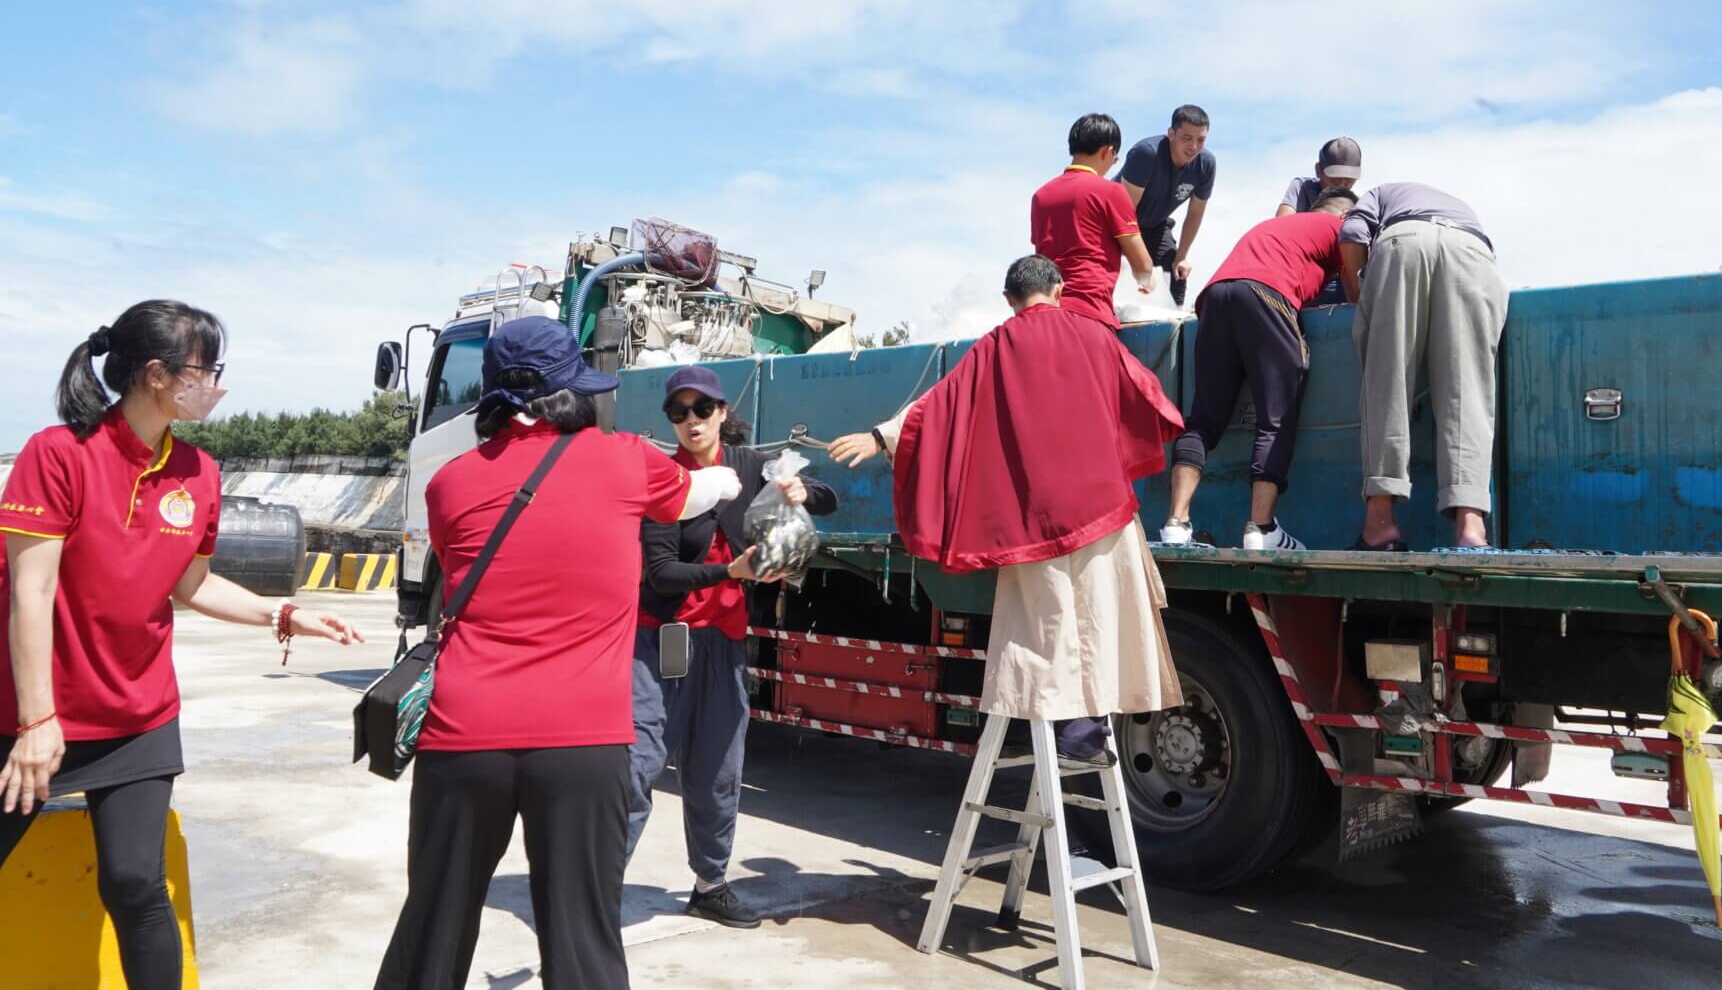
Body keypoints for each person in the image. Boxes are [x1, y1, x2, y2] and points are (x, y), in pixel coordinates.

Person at [1, 300, 364, 990]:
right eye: (209, 369)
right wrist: (37, 721)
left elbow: (191, 584)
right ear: (159, 375)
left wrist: (281, 614)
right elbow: (30, 592)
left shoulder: (198, 471)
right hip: (30, 709)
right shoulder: (59, 454)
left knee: (136, 882)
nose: (218, 385)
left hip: (138, 713)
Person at [376, 318, 742, 990]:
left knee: (433, 927)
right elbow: (706, 490)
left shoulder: (448, 484)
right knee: (583, 945)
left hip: (464, 738)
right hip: (583, 741)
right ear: (572, 391)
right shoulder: (626, 458)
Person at [827, 255, 1183, 764]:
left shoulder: (994, 348)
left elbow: (938, 407)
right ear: (1059, 289)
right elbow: (1144, 393)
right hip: (1102, 503)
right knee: (1106, 614)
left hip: (1035, 516)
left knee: (1049, 623)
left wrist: (880, 436)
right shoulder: (1096, 335)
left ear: (1009, 300)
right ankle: (1093, 730)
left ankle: (1065, 732)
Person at [625, 365, 839, 929]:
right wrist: (732, 571)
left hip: (723, 643)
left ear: (722, 413)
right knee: (637, 763)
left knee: (719, 767)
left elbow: (829, 499)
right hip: (661, 640)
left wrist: (800, 489)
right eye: (678, 412)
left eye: (701, 410)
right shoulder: (664, 480)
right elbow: (661, 573)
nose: (691, 421)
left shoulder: (749, 465)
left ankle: (710, 884)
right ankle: (593, 889)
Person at [1161, 189, 1358, 551]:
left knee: (1204, 419)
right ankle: (1261, 529)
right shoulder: (1340, 228)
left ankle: (1176, 523)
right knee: (1277, 416)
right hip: (1267, 294)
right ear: (1347, 217)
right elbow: (1355, 292)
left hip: (1216, 296)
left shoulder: (1279, 228)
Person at [1336, 183, 1508, 551]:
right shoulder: (1461, 204)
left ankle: (1380, 524)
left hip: (1405, 242)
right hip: (1473, 252)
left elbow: (1352, 233)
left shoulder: (1379, 193)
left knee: (1388, 380)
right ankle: (1471, 526)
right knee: (1469, 391)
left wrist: (1357, 294)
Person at [1031, 113, 1157, 329]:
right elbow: (1143, 265)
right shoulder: (1111, 191)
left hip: (1048, 312)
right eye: (1115, 159)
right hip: (1091, 312)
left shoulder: (1041, 196)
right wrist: (1148, 282)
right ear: (1107, 152)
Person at [1116, 104, 1216, 307]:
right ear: (1171, 134)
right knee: (1130, 278)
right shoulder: (1146, 154)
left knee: (1176, 273)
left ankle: (1176, 329)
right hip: (1115, 225)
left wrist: (1182, 256)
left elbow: (1195, 213)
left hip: (1156, 225)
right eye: (1187, 138)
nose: (1194, 147)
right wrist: (1139, 262)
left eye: (1201, 140)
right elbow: (1123, 214)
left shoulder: (1206, 164)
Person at [1275, 136, 1363, 216]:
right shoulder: (1302, 188)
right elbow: (1282, 223)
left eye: (1349, 180)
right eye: (1335, 179)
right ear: (1318, 170)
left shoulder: (1358, 207)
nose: (1342, 184)